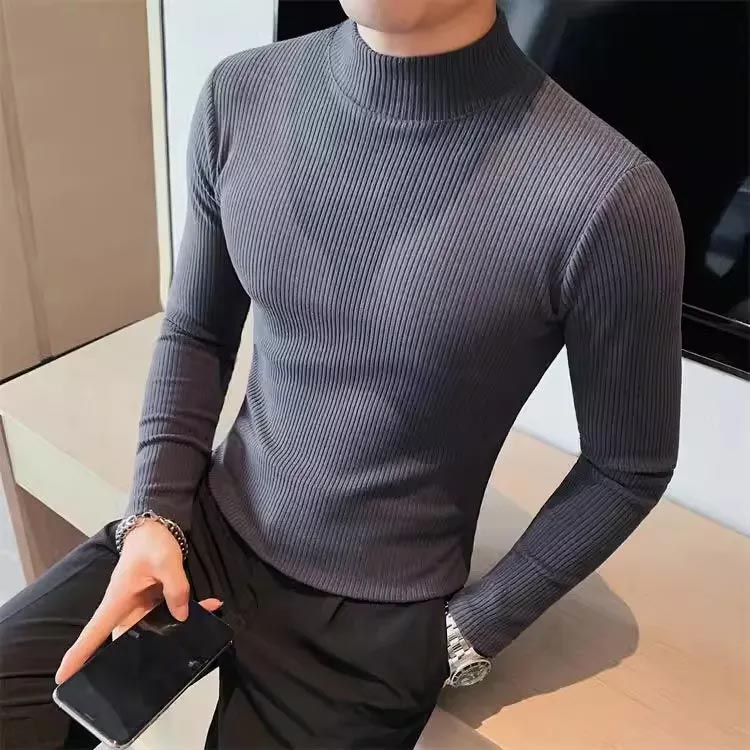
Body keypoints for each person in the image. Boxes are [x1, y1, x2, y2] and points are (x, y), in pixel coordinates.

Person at [0, 0, 684, 747]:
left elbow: (627, 467)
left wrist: (462, 638)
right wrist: (153, 515)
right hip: (202, 528)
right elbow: (198, 328)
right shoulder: (241, 95)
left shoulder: (609, 196)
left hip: (373, 630)